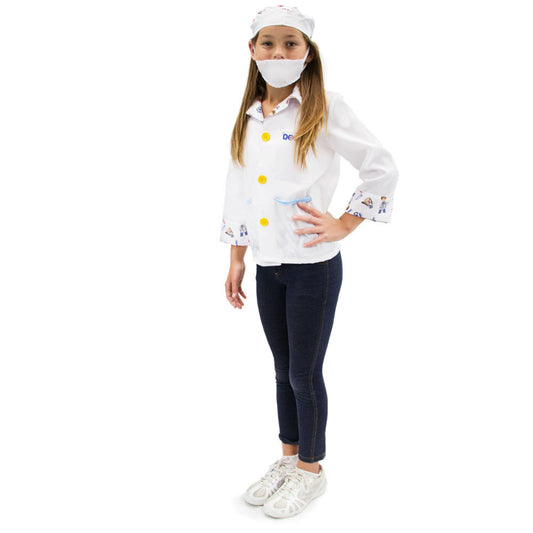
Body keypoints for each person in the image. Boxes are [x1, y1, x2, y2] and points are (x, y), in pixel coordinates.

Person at [219, 5, 399, 519]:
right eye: (268, 43)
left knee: (304, 372)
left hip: (311, 267)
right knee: (281, 371)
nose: (278, 53)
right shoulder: (250, 114)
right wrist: (236, 258)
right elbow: (238, 187)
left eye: (290, 43)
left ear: (307, 52)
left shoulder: (326, 106)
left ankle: (311, 471)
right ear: (252, 50)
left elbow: (381, 168)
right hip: (267, 264)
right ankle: (288, 459)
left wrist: (345, 223)